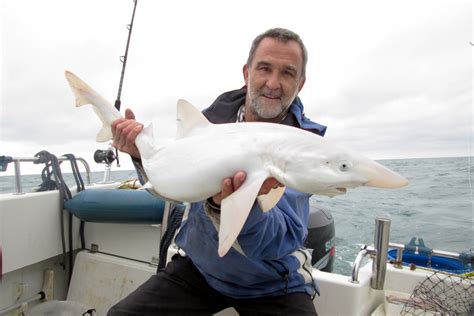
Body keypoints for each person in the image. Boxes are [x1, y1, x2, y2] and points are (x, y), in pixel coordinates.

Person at [108, 28, 327, 315]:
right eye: (264, 68)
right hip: (202, 269)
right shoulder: (208, 125)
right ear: (247, 73)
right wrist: (140, 155)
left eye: (287, 73)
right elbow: (173, 183)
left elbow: (278, 241)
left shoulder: (304, 149)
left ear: (300, 83)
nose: (273, 83)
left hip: (273, 283)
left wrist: (230, 207)